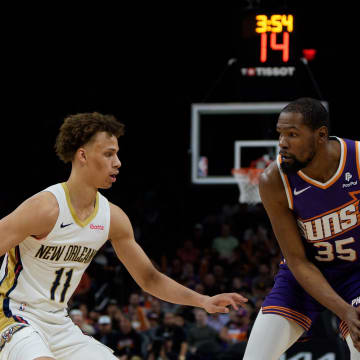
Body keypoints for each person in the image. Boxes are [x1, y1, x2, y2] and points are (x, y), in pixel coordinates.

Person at [0, 112, 247, 360]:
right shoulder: (45, 208)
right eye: (108, 154)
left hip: (58, 322)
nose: (117, 162)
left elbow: (149, 278)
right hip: (13, 315)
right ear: (82, 155)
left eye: (116, 153)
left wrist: (203, 300)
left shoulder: (112, 218)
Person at [243, 98, 360, 359]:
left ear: (320, 135)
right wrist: (344, 310)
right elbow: (296, 260)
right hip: (304, 274)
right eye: (280, 134)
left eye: (292, 134)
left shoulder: (359, 160)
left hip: (356, 272)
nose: (282, 142)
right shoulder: (273, 179)